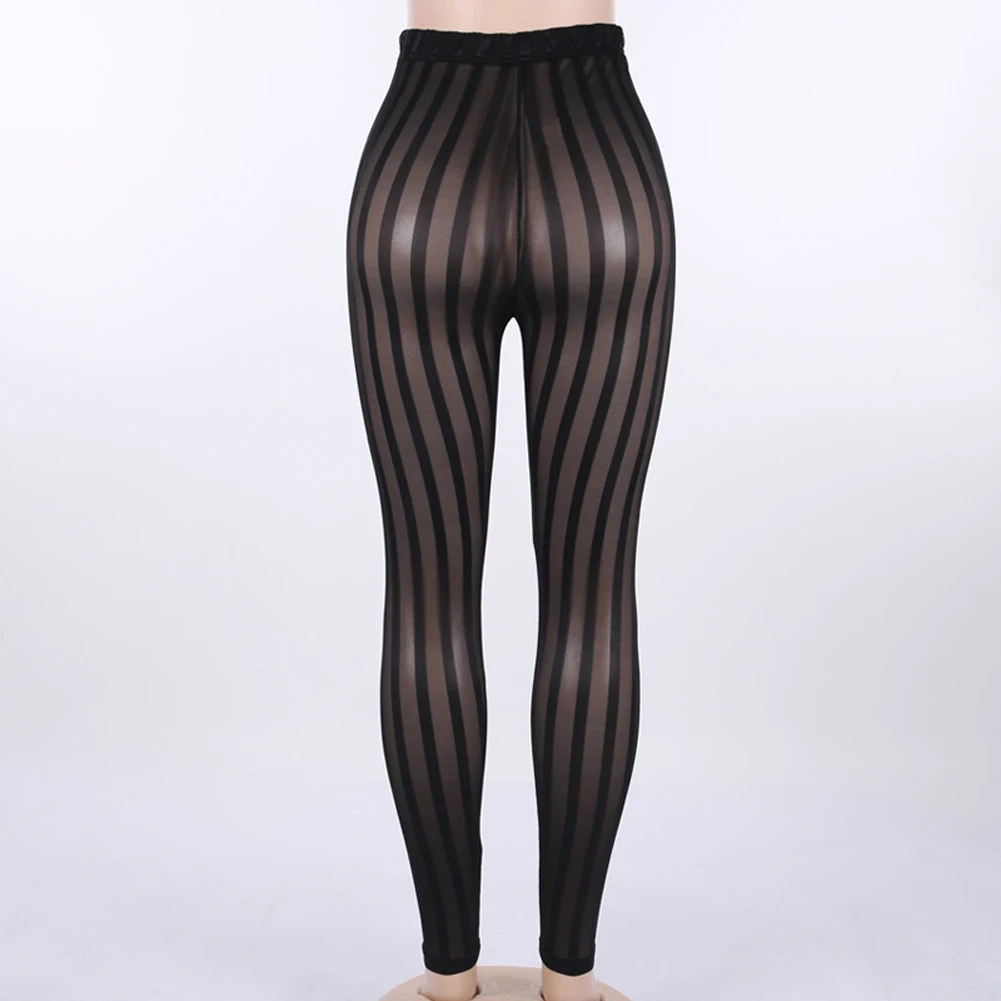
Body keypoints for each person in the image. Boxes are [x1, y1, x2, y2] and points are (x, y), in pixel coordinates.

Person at [345, 2, 676, 999]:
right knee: (591, 598)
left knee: (427, 598)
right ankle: (568, 982)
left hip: (423, 172)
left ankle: (447, 980)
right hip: (600, 175)